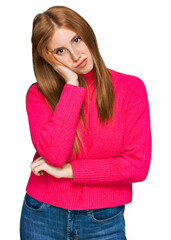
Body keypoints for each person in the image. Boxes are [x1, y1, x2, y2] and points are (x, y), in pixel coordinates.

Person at [19, 5, 152, 240]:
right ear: (47, 58)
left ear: (87, 33)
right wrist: (72, 85)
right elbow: (54, 155)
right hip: (42, 215)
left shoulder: (131, 89)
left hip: (104, 220)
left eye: (77, 40)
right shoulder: (38, 95)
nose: (75, 55)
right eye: (60, 50)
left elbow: (136, 165)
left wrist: (68, 172)